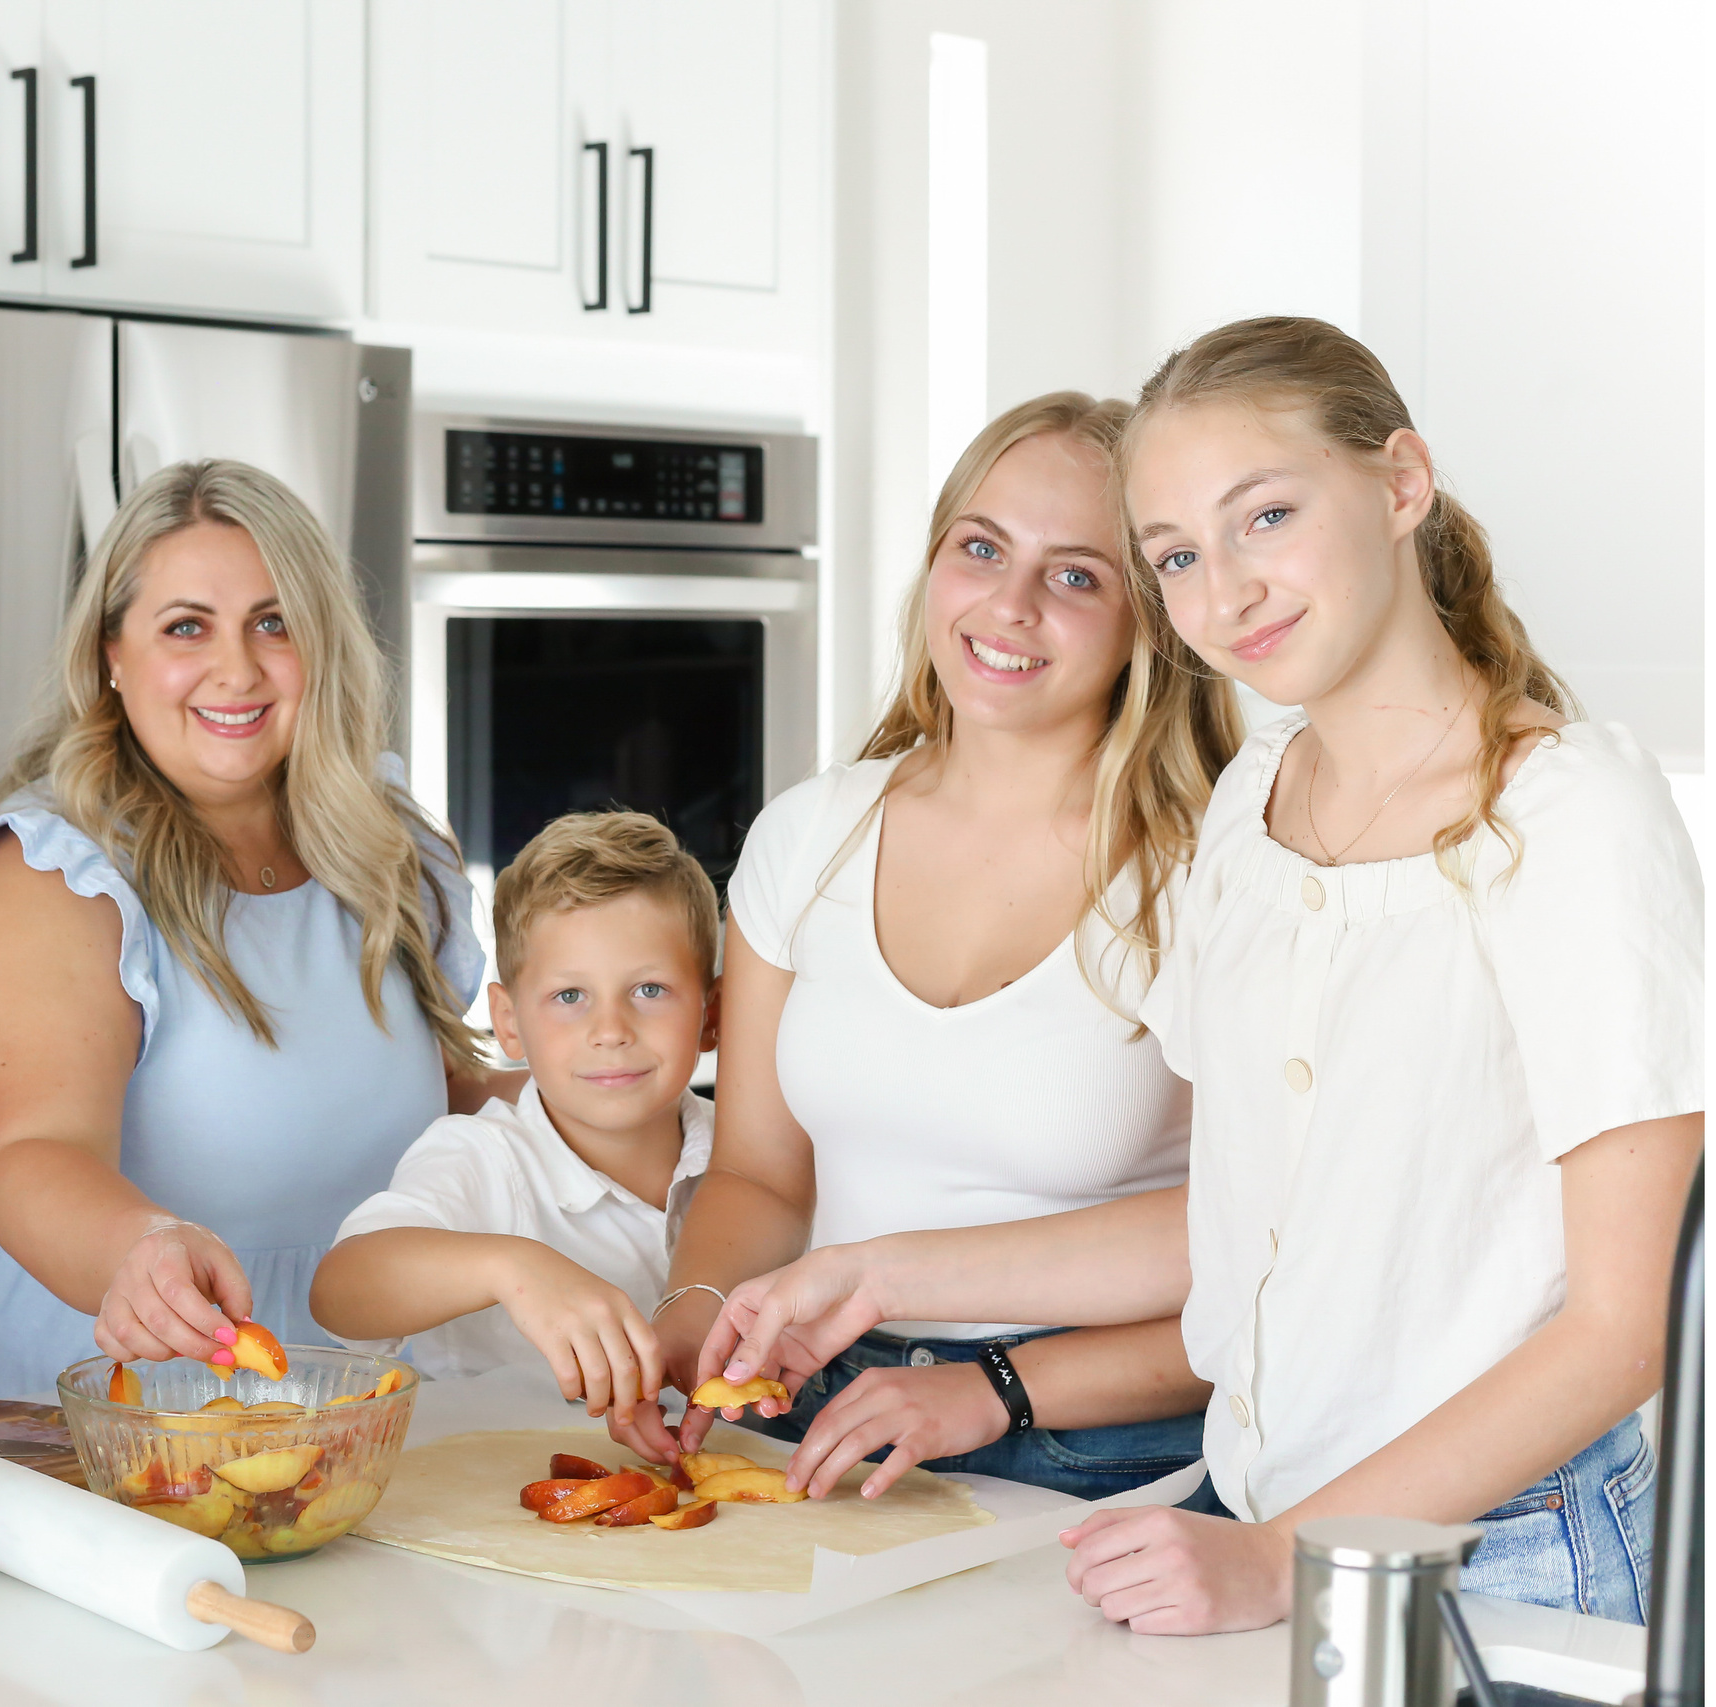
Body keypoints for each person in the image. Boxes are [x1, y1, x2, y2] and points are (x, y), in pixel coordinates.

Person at [698, 318, 1703, 1631]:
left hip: (1500, 1547)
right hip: (1255, 1499)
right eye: (1175, 552)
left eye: (1265, 515)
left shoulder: (1570, 810)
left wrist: (1286, 1553)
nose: (1224, 589)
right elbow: (1224, 1229)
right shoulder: (1250, 807)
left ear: (1402, 484)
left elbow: (1624, 1329)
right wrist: (880, 1274)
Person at [607, 392, 1240, 1502]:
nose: (1010, 604)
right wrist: (693, 1323)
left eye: (1077, 574)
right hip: (818, 1415)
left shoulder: (1213, 875)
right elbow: (759, 1175)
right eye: (980, 547)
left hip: (1099, 1449)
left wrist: (992, 1386)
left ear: (1151, 618)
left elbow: (1262, 1252)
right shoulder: (811, 834)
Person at [0, 458, 516, 1404]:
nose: (236, 667)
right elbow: (34, 1152)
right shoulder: (44, 875)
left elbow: (423, 1095)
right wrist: (143, 1249)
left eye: (272, 623)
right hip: (48, 1412)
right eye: (185, 626)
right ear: (112, 655)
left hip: (322, 1406)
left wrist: (620, 1100)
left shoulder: (382, 844)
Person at [312, 811, 722, 1415]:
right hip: (486, 1494)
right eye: (569, 996)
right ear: (508, 1023)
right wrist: (514, 1267)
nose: (611, 1031)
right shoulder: (479, 1156)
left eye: (649, 990)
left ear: (710, 1015)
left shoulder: (748, 1165)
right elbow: (339, 1293)